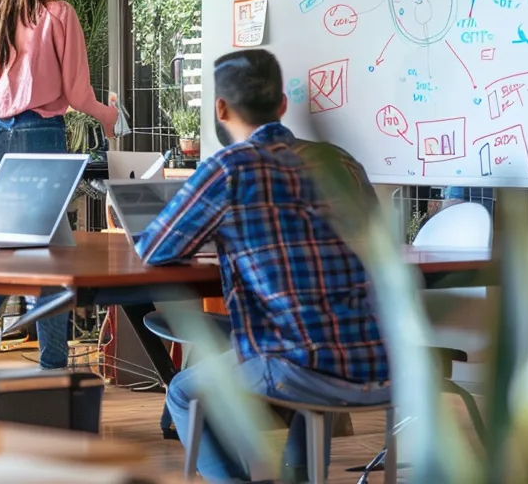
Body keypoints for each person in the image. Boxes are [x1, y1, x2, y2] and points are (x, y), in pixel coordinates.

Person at [137, 49, 389, 482]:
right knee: (310, 336)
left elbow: (155, 248)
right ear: (283, 106)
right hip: (379, 360)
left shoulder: (230, 169)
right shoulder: (339, 162)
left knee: (183, 393)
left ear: (220, 109)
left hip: (295, 363)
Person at [0, 0, 119, 369]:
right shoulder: (58, 15)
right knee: (53, 258)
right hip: (41, 136)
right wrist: (107, 117)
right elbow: (76, 92)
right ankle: (54, 363)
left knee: (1, 253)